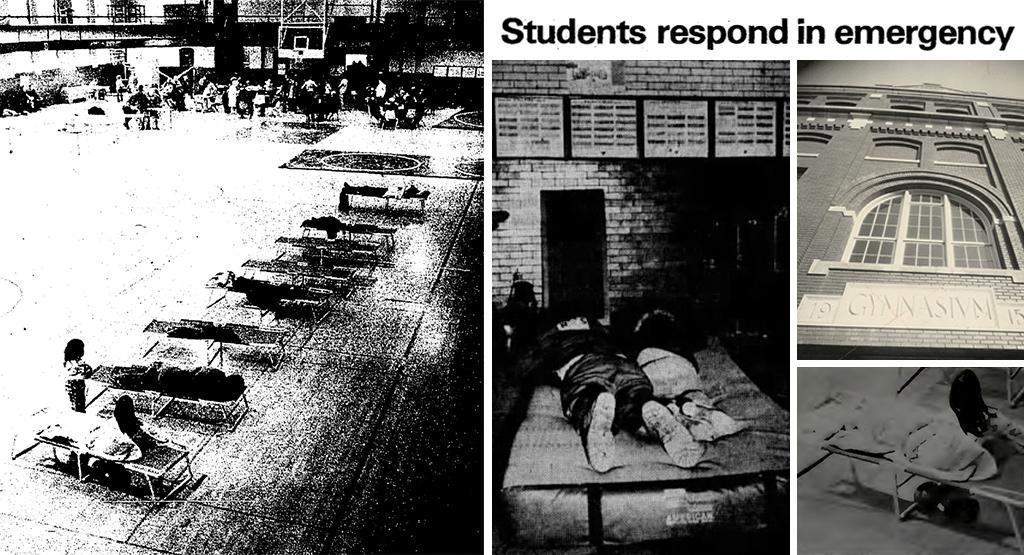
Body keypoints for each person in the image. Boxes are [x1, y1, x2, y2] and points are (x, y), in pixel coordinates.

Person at [526, 315, 703, 472]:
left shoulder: (553, 335)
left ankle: (591, 412)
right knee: (635, 401)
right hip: (626, 366)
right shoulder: (602, 331)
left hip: (587, 366)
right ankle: (649, 411)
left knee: (587, 396)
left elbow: (526, 364)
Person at [950, 369, 1024, 451]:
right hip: (998, 438)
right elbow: (1011, 431)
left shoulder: (956, 406)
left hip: (982, 434)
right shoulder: (995, 420)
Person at [63, 339, 94, 413]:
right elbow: (75, 372)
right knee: (77, 405)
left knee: (80, 402)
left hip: (79, 385)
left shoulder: (78, 361)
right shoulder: (69, 363)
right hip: (74, 385)